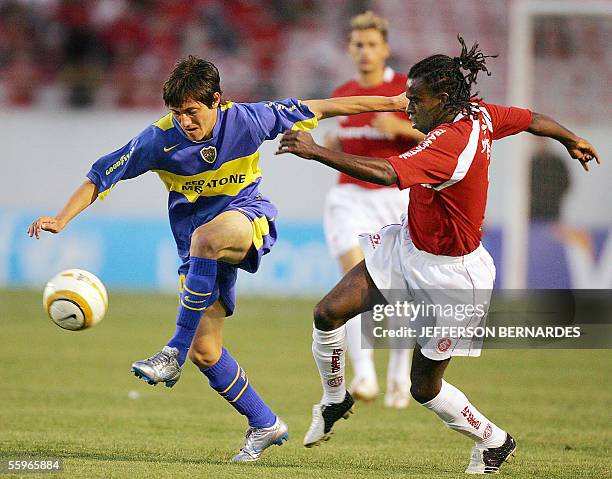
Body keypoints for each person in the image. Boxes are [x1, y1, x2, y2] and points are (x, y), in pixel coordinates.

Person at [27, 55, 407, 463]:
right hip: (196, 248)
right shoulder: (158, 139)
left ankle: (171, 351)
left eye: (192, 112)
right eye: (176, 113)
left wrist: (396, 103)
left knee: (207, 239)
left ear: (217, 102)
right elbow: (102, 175)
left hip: (247, 219)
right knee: (206, 351)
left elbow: (326, 107)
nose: (185, 122)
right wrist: (61, 218)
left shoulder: (248, 120)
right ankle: (264, 423)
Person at [277, 37, 599, 474]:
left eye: (415, 100)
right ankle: (335, 398)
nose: (407, 108)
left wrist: (315, 151)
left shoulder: (450, 144)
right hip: (407, 246)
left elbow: (389, 172)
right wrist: (571, 138)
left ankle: (494, 440)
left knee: (424, 387)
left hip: (453, 278)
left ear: (443, 100)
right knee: (328, 313)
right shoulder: (481, 114)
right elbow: (531, 119)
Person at [323, 11, 424, 408]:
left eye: (371, 45)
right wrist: (332, 143)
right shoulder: (344, 91)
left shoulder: (406, 90)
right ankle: (364, 375)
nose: (364, 52)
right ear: (349, 49)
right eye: (358, 45)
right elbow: (345, 142)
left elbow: (440, 137)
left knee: (399, 291)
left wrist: (400, 128)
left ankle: (399, 372)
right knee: (353, 282)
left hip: (395, 196)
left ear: (385, 48)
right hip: (348, 197)